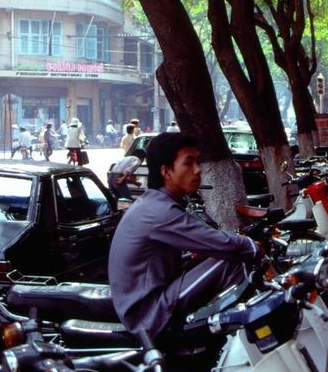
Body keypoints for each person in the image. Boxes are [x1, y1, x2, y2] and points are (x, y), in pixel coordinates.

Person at [108, 133, 261, 339]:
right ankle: (230, 335)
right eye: (188, 163)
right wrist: (253, 245)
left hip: (148, 301)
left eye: (198, 162)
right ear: (166, 172)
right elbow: (220, 243)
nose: (198, 170)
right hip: (148, 314)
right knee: (232, 259)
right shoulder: (159, 211)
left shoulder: (154, 203)